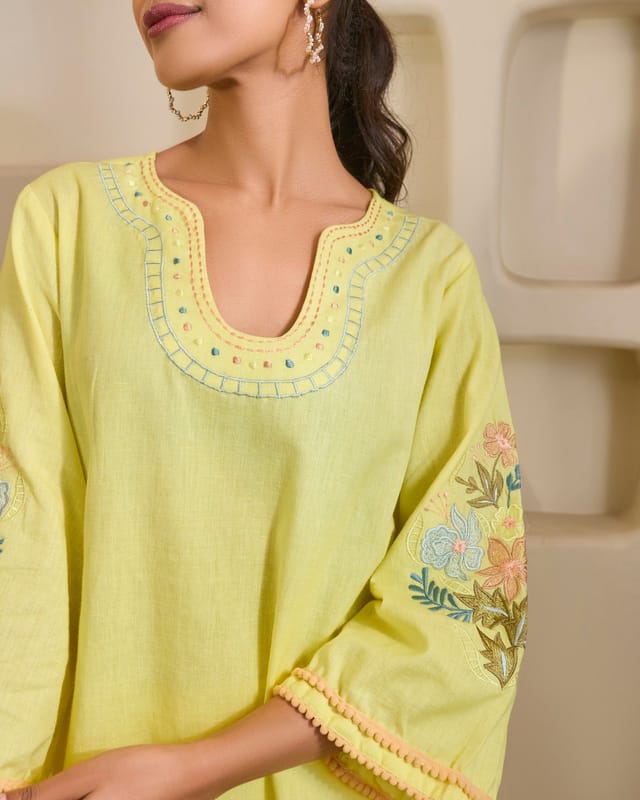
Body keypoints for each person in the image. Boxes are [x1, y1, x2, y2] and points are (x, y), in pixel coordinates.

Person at [0, 1, 528, 798]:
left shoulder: (429, 282)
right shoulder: (66, 225)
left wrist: (193, 768)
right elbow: (21, 548)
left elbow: (467, 615)